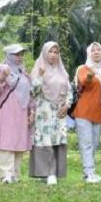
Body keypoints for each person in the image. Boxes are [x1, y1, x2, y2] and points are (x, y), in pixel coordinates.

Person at [30, 41, 72, 185]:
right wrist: (40, 76)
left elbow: (69, 90)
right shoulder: (39, 67)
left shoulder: (62, 71)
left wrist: (67, 105)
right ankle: (47, 173)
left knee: (57, 141)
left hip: (59, 111)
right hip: (44, 111)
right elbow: (33, 92)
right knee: (45, 141)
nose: (53, 55)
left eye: (56, 52)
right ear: (45, 53)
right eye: (50, 51)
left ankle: (53, 173)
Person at [0, 43, 33, 183]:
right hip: (7, 110)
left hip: (21, 111)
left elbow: (30, 94)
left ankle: (15, 173)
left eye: (21, 54)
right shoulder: (1, 69)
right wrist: (3, 76)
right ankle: (5, 174)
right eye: (16, 54)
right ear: (9, 55)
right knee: (7, 140)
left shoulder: (23, 72)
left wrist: (31, 111)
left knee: (19, 141)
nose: (20, 57)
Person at [71, 41, 101, 183]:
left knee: (94, 143)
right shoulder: (83, 68)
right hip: (83, 111)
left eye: (98, 50)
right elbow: (82, 83)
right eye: (93, 50)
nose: (96, 52)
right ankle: (89, 173)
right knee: (86, 143)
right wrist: (89, 76)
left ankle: (89, 171)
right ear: (89, 53)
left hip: (99, 112)